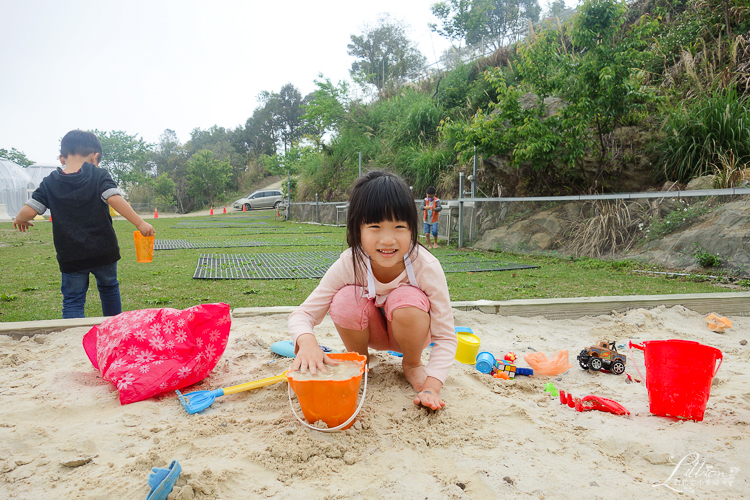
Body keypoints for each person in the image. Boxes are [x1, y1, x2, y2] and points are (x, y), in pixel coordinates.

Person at [288, 171, 457, 410]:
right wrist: (307, 343)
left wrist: (432, 386)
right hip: (369, 333)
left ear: (412, 229)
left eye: (399, 226)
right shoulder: (350, 262)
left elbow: (446, 336)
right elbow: (302, 314)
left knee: (404, 299)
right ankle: (360, 362)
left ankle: (411, 364)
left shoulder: (426, 266)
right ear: (358, 229)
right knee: (345, 299)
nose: (388, 240)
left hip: (411, 334)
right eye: (375, 226)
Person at [13, 130, 155, 319]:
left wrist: (20, 219)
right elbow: (114, 198)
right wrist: (140, 222)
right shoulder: (98, 175)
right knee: (109, 289)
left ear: (62, 158)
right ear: (95, 157)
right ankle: (112, 331)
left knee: (73, 299)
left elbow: (30, 211)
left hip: (71, 256)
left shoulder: (50, 182)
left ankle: (72, 339)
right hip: (104, 251)